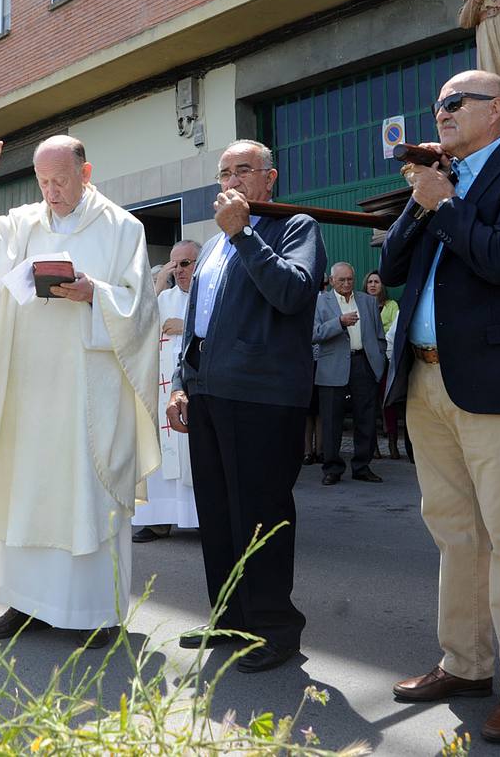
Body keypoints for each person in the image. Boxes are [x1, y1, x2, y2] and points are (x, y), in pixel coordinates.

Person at [379, 69, 500, 743]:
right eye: (438, 104)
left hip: (493, 380)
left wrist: (448, 204)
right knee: (454, 533)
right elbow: (395, 266)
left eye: (458, 102)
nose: (444, 112)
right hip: (428, 381)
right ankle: (464, 661)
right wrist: (423, 200)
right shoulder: (437, 178)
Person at [0, 129, 160, 644]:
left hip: (88, 390)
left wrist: (93, 294)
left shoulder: (122, 228)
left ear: (85, 173)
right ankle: (24, 603)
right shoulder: (23, 222)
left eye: (60, 181)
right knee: (26, 490)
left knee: (84, 493)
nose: (51, 192)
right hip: (27, 389)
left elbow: (141, 308)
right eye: (42, 182)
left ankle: (94, 612)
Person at [166, 139, 325, 673]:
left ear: (269, 178)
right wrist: (181, 382)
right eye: (224, 173)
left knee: (261, 514)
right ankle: (229, 617)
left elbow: (293, 293)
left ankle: (276, 628)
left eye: (244, 171)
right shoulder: (211, 246)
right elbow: (197, 320)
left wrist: (247, 234)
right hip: (210, 392)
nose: (232, 181)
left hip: (262, 394)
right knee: (216, 512)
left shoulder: (294, 226)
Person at [132, 240, 202, 543]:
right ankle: (158, 520)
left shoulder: (208, 296)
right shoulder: (164, 297)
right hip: (160, 392)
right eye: (174, 265)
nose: (179, 271)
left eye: (185, 263)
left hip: (193, 389)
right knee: (160, 454)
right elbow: (137, 323)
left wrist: (186, 325)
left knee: (195, 457)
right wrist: (159, 281)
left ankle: (201, 519)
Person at [313, 262, 387, 485]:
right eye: (341, 280)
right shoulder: (320, 301)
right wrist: (339, 323)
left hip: (363, 364)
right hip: (332, 367)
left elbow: (379, 335)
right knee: (331, 420)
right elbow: (313, 333)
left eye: (350, 280)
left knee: (366, 419)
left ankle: (362, 466)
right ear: (332, 281)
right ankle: (332, 468)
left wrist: (379, 359)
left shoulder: (367, 301)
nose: (346, 284)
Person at [365, 271, 402, 459]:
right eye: (370, 282)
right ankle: (373, 446)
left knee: (388, 402)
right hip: (367, 362)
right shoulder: (361, 305)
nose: (373, 285)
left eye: (376, 282)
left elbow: (396, 332)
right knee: (369, 404)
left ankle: (392, 444)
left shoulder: (392, 306)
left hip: (387, 360)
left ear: (382, 286)